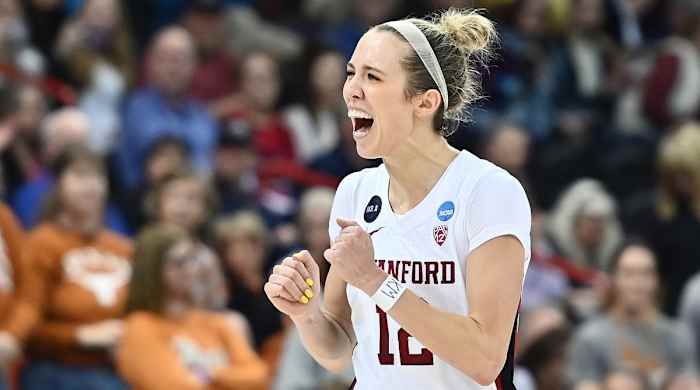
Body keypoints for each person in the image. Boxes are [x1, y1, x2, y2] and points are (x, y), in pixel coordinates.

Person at [264, 8, 531, 389]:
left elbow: (484, 358)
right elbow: (340, 346)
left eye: (372, 77)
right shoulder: (354, 193)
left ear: (425, 102)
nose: (351, 89)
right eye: (351, 73)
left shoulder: (488, 192)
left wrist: (376, 281)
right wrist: (305, 314)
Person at [15, 145, 132, 390]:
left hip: (115, 367)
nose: (90, 185)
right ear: (58, 185)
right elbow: (27, 319)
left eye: (97, 177)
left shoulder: (122, 247)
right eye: (80, 176)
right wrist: (80, 336)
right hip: (56, 369)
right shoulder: (42, 242)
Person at [117, 226, 267, 390]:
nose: (190, 269)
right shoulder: (140, 326)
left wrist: (210, 374)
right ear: (153, 268)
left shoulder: (215, 322)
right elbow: (175, 386)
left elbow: (258, 376)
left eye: (191, 259)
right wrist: (232, 378)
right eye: (179, 262)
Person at [567, 239, 698, 390]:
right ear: (614, 279)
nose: (638, 283)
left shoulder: (677, 334)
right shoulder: (590, 337)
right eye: (629, 274)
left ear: (656, 280)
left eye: (646, 273)